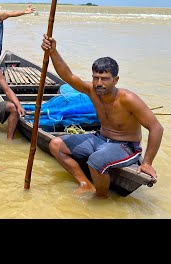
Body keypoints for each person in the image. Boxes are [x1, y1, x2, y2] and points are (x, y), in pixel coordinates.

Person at [41, 34, 164, 198]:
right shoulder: (93, 91)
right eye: (95, 78)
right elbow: (68, 77)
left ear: (116, 80)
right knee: (56, 144)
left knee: (95, 161)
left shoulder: (128, 99)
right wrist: (53, 52)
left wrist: (147, 162)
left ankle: (101, 199)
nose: (99, 83)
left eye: (105, 79)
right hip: (99, 138)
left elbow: (156, 128)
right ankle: (85, 184)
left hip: (125, 146)